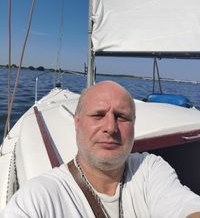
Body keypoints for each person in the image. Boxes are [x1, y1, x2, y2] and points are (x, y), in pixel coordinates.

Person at [1, 80, 200, 218]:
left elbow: (183, 206)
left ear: (134, 125)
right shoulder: (39, 197)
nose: (111, 127)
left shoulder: (149, 169)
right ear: (77, 122)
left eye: (122, 117)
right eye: (98, 115)